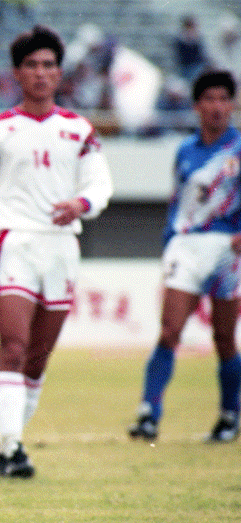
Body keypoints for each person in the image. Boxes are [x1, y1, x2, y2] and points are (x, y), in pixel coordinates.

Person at [0, 25, 113, 478]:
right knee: (14, 349)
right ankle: (16, 446)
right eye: (32, 65)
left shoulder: (78, 130)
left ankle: (4, 445)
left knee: (38, 359)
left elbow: (100, 183)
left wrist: (81, 203)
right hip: (15, 243)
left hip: (62, 248)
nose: (41, 73)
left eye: (49, 65)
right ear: (17, 73)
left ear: (60, 73)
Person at [128, 71, 241, 444]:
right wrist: (168, 243)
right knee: (170, 330)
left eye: (224, 99)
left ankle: (228, 415)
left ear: (232, 104)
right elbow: (178, 202)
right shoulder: (185, 151)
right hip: (187, 246)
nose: (217, 106)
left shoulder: (238, 149)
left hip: (229, 249)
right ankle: (149, 413)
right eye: (209, 99)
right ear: (196, 106)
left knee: (224, 337)